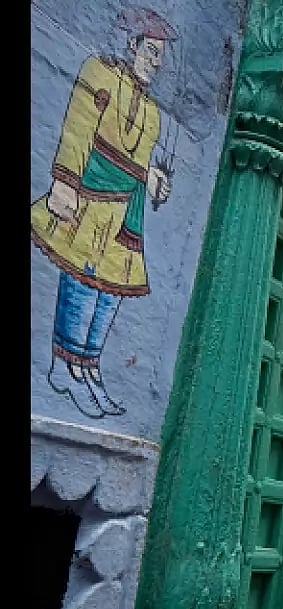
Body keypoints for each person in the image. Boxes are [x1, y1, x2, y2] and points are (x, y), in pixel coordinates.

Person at [30, 8, 178, 418]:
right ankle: (66, 365)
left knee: (111, 288)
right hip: (91, 195)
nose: (154, 62)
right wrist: (64, 181)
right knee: (82, 276)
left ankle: (89, 368)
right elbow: (79, 128)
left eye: (159, 57)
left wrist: (152, 181)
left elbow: (138, 159)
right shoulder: (99, 73)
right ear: (131, 45)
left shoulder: (151, 113)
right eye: (149, 51)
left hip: (126, 211)